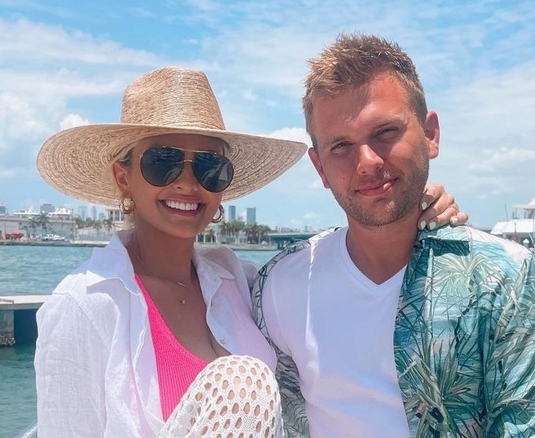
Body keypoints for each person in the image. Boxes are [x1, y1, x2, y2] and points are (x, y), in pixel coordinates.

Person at [34, 67, 466, 437]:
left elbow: (332, 273)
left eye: (209, 167)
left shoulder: (240, 283)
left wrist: (413, 209)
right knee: (243, 381)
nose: (187, 183)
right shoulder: (85, 304)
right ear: (123, 176)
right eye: (161, 162)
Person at [252, 33, 535, 437]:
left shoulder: (507, 280)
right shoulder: (278, 283)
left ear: (430, 134)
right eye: (341, 145)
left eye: (385, 132)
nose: (366, 161)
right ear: (319, 167)